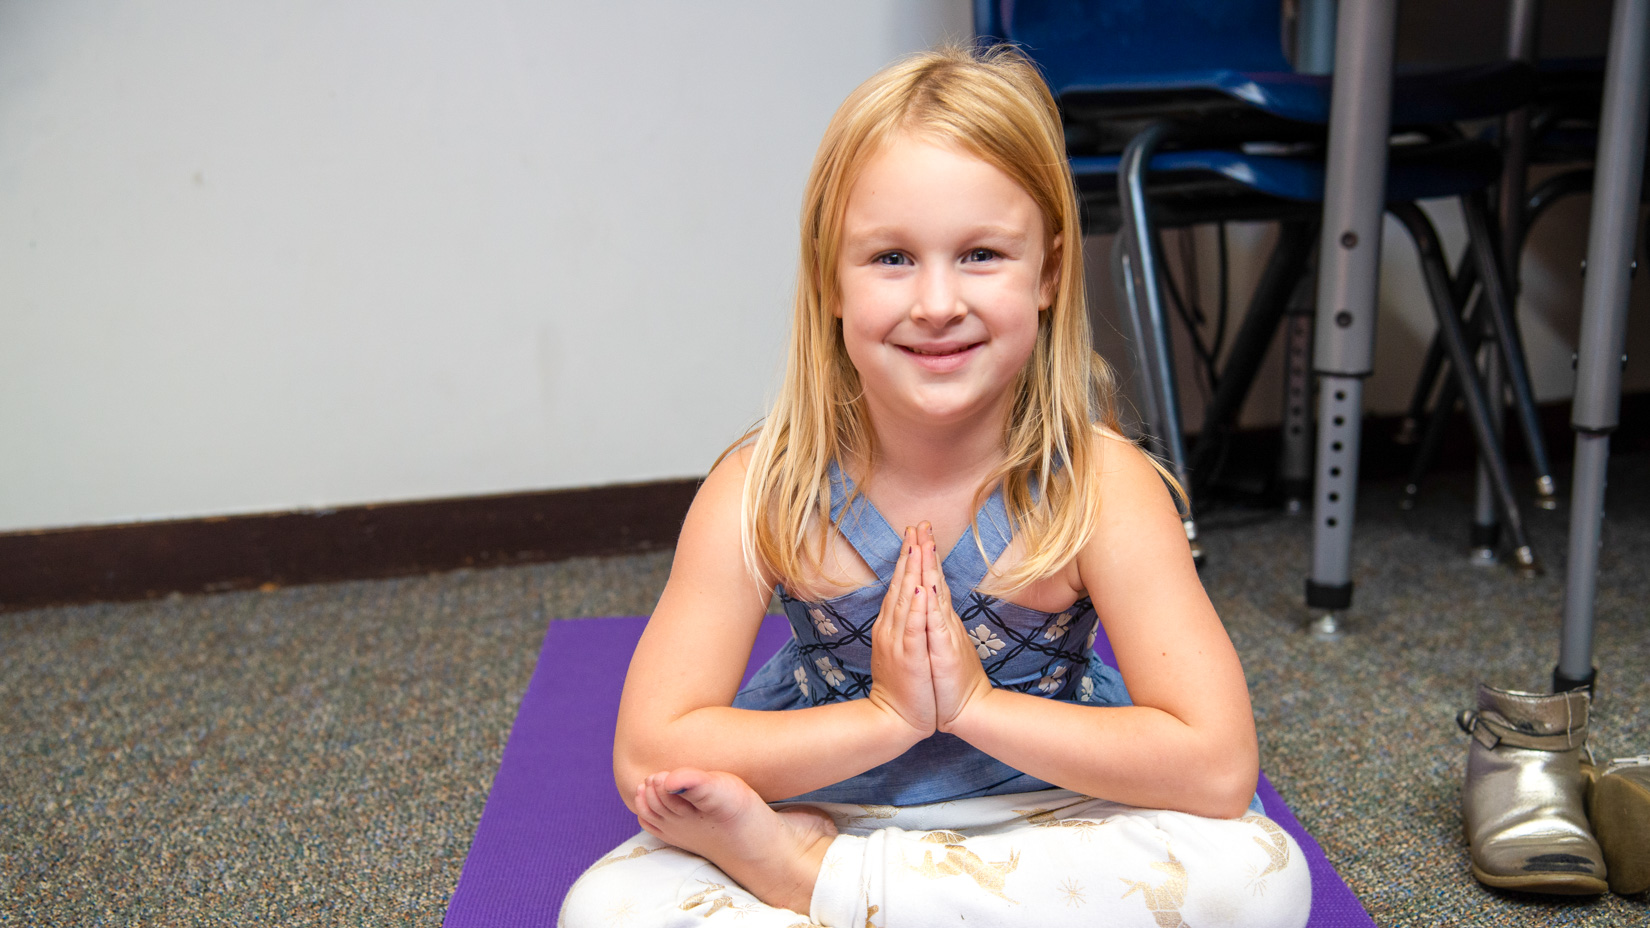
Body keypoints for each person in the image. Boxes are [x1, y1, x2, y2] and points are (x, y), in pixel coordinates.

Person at [561, 44, 1312, 928]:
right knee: (607, 909)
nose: (937, 302)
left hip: (1053, 823)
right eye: (890, 259)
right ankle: (864, 885)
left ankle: (826, 892)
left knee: (1260, 874)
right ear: (828, 281)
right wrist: (886, 718)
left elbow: (1218, 766)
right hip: (827, 806)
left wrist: (975, 706)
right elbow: (650, 749)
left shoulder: (1105, 485)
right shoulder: (759, 487)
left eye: (983, 254)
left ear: (1052, 273)